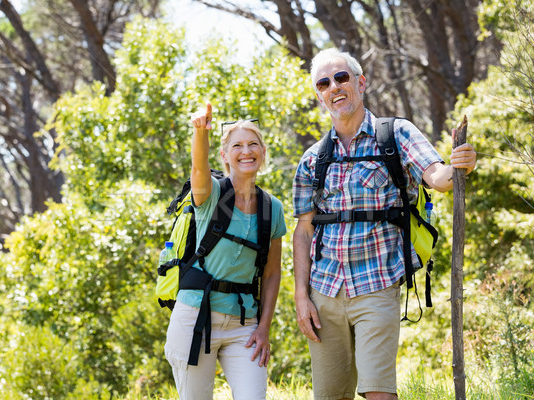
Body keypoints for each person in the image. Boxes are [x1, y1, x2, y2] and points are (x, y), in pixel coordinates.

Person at [292, 48, 477, 400]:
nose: (335, 87)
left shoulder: (396, 134)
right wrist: (302, 296)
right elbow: (304, 231)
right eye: (324, 83)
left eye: (342, 77)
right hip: (324, 290)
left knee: (379, 392)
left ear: (361, 83)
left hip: (377, 285)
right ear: (319, 95)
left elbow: (437, 175)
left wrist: (460, 167)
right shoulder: (313, 158)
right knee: (330, 396)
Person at [164, 103, 287, 400]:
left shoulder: (273, 208)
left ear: (263, 151)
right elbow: (198, 168)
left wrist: (264, 327)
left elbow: (271, 274)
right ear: (224, 155)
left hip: (244, 324)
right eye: (237, 146)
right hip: (195, 317)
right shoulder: (211, 194)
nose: (246, 151)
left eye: (253, 144)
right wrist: (200, 131)